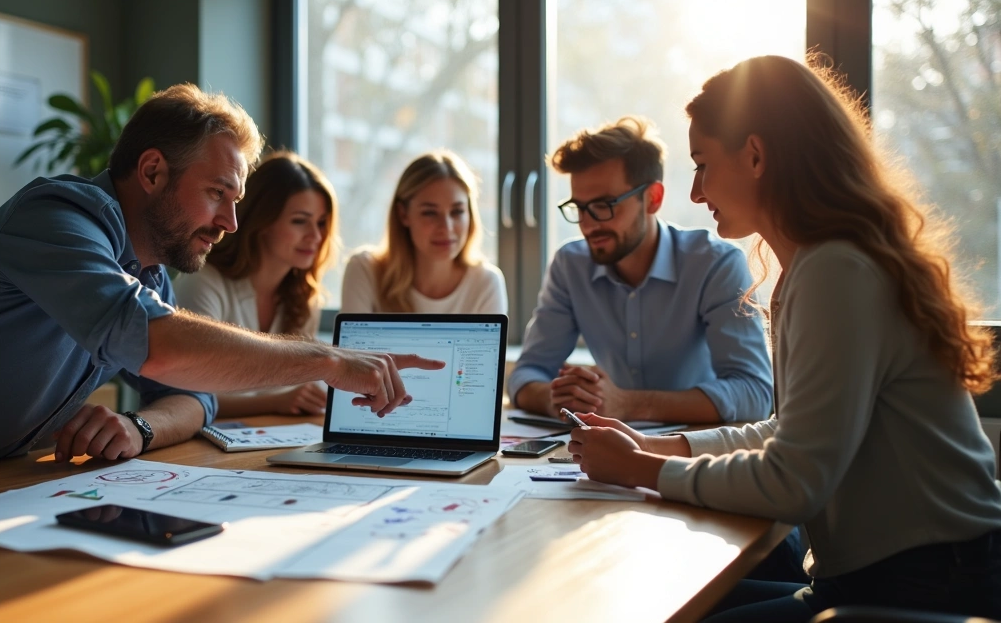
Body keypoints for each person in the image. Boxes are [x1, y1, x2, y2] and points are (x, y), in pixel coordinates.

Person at [0, 83, 442, 494]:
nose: (231, 222)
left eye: (236, 200)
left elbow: (193, 396)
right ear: (152, 172)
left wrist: (136, 424)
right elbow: (157, 348)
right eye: (217, 194)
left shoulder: (144, 270)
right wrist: (328, 359)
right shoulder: (57, 219)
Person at [567, 55, 1001, 621]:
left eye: (702, 164)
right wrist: (654, 444)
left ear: (755, 154)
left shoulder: (837, 271)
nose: (696, 193)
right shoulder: (815, 266)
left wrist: (638, 469)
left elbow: (794, 482)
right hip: (885, 578)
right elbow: (790, 430)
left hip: (926, 585)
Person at [509, 116, 772, 424]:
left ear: (653, 198)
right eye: (579, 208)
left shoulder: (715, 264)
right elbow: (526, 373)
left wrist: (627, 404)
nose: (589, 224)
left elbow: (755, 393)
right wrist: (562, 398)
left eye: (605, 205)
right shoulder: (570, 265)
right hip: (603, 449)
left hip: (693, 454)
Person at [175, 151, 337, 418]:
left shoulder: (304, 299)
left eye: (321, 223)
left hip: (266, 443)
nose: (316, 236)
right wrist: (275, 402)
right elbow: (184, 394)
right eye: (300, 221)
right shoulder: (205, 282)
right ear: (262, 221)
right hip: (199, 444)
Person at [340, 150, 507, 315]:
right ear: (403, 214)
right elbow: (348, 343)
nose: (446, 227)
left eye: (457, 212)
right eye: (430, 213)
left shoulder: (486, 282)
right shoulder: (365, 270)